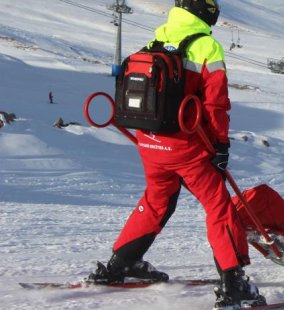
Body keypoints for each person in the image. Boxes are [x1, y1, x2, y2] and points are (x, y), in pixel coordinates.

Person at [88, 1, 266, 308]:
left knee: (157, 201)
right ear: (205, 12)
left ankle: (121, 263)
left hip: (150, 143)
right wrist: (221, 145)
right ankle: (233, 284)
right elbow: (215, 105)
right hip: (186, 147)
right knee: (219, 207)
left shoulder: (157, 38)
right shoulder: (206, 46)